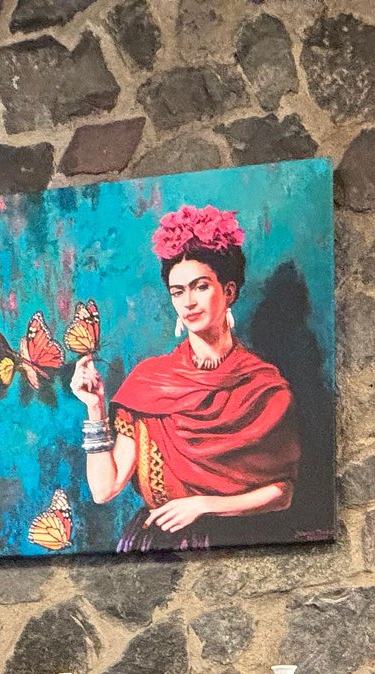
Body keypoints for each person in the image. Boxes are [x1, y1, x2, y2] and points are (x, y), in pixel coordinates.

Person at [69, 204, 300, 548]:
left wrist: (203, 505)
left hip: (244, 544)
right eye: (178, 292)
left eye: (200, 286)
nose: (188, 302)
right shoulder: (149, 381)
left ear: (229, 291)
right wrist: (94, 408)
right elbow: (104, 490)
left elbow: (282, 494)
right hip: (160, 545)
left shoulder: (264, 387)